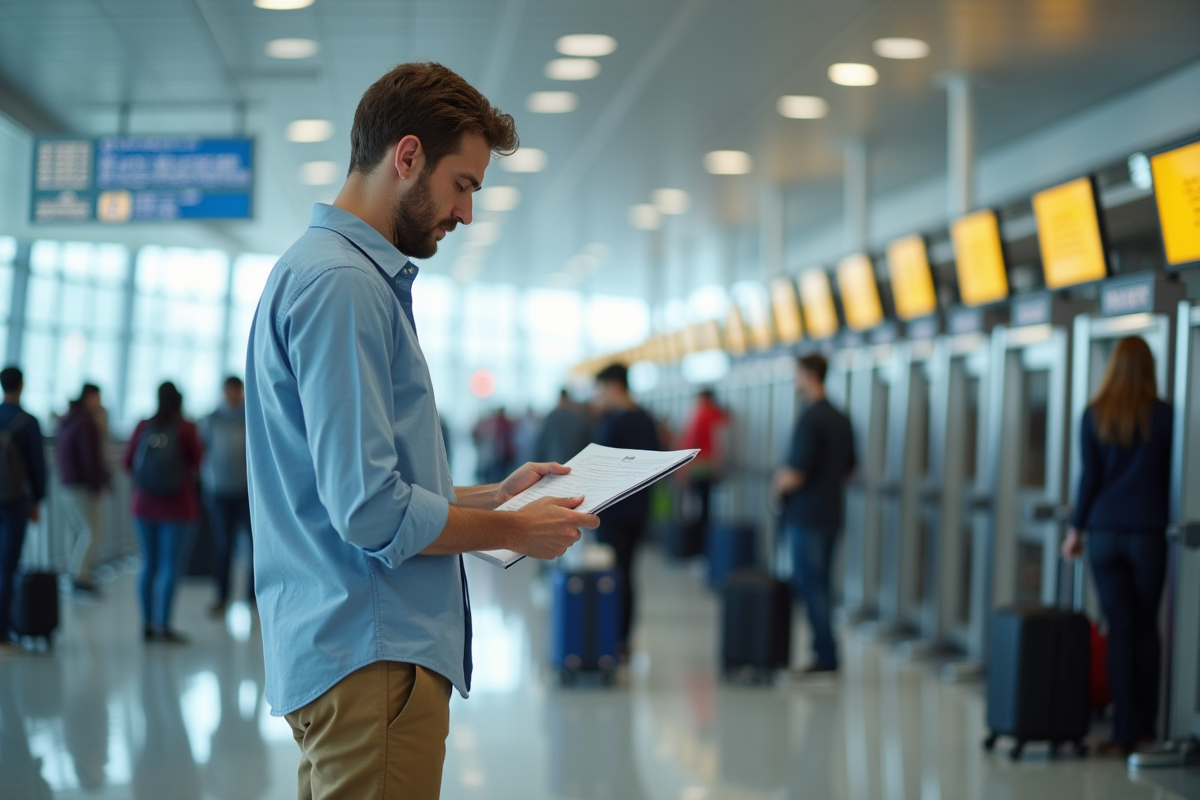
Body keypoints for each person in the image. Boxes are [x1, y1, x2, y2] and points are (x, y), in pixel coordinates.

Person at [244, 61, 598, 800]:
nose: (466, 213)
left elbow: (349, 482)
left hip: (346, 647)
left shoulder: (323, 273)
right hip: (372, 657)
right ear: (407, 158)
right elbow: (370, 509)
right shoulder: (342, 285)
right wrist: (510, 534)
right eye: (463, 184)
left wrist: (494, 498)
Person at [1062, 337, 1172, 757]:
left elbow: (1089, 478)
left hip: (1105, 532)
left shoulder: (1093, 415)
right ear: (1149, 368)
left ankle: (1122, 732)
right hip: (1148, 533)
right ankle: (1147, 727)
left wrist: (1075, 532)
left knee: (1119, 629)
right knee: (1146, 629)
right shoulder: (1164, 416)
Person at [771, 353, 856, 677]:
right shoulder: (841, 417)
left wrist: (778, 483)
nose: (795, 381)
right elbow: (850, 468)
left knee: (811, 587)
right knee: (823, 585)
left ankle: (825, 656)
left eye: (796, 375)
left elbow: (797, 472)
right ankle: (827, 652)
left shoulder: (810, 418)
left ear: (808, 376)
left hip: (806, 516)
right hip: (832, 513)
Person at [121, 382, 204, 645]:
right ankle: (164, 626)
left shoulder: (143, 426)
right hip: (178, 506)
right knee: (170, 565)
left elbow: (126, 462)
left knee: (149, 563)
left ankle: (146, 625)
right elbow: (199, 461)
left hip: (144, 504)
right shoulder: (186, 429)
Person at [591, 363, 660, 654]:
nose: (598, 397)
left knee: (612, 575)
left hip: (613, 513)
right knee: (627, 572)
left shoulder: (615, 422)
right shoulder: (647, 420)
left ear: (615, 386)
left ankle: (610, 637)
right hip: (638, 511)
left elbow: (600, 467)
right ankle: (622, 639)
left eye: (601, 389)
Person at [0, 367, 46, 658]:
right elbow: (38, 468)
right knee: (7, 567)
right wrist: (37, 500)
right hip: (15, 502)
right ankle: (3, 632)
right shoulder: (28, 422)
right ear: (23, 385)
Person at [199, 376, 253, 617]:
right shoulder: (211, 419)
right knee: (223, 546)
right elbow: (203, 450)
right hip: (219, 491)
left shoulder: (250, 416)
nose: (233, 394)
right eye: (229, 390)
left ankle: (253, 597)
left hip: (246, 492)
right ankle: (221, 596)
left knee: (254, 547)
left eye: (236, 390)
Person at [56, 384, 110, 596]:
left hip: (67, 483)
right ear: (90, 397)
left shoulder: (68, 419)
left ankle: (78, 574)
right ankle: (79, 576)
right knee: (92, 532)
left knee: (80, 531)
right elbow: (91, 458)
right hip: (81, 485)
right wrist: (97, 484)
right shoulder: (86, 423)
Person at [678, 388, 727, 538]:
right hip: (711, 466)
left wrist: (683, 467)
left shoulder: (701, 414)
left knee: (697, 508)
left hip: (699, 466)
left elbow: (691, 442)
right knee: (708, 506)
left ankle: (698, 545)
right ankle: (707, 543)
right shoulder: (718, 416)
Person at [534, 388, 593, 464]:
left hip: (552, 463)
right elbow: (587, 442)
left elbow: (541, 444)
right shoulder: (580, 418)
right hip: (575, 462)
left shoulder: (550, 417)